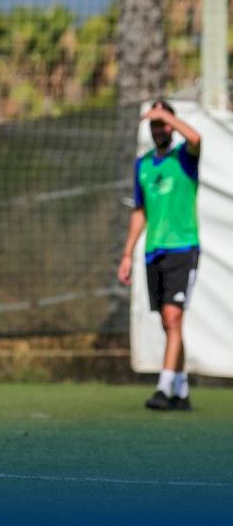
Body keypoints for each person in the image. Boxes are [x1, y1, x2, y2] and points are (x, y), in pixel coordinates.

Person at [118, 100, 201, 411]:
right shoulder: (143, 165)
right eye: (154, 124)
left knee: (173, 317)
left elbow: (196, 138)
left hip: (183, 248)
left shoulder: (185, 158)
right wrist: (127, 254)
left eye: (163, 122)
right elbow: (139, 212)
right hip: (154, 251)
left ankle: (164, 388)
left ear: (171, 124)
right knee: (169, 324)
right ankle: (181, 388)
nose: (159, 129)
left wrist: (165, 114)